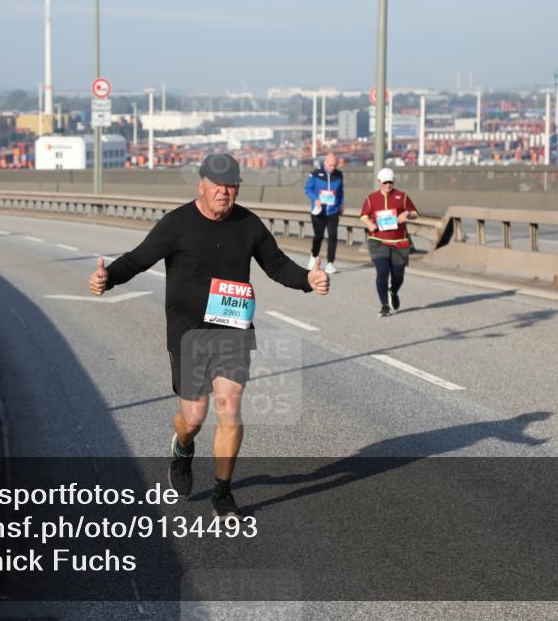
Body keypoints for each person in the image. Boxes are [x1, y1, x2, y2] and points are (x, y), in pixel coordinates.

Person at [88, 153, 330, 518]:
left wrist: (308, 280)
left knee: (229, 407)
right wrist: (108, 279)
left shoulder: (249, 225)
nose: (224, 191)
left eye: (231, 185)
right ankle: (183, 450)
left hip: (233, 330)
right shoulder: (177, 224)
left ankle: (223, 492)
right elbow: (138, 259)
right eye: (218, 184)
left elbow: (277, 265)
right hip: (189, 333)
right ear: (201, 185)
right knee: (194, 417)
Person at [360, 167, 419, 317]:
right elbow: (363, 215)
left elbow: (415, 213)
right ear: (379, 182)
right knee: (382, 271)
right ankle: (384, 305)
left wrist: (406, 214)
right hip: (378, 241)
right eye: (385, 182)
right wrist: (369, 224)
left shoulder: (402, 196)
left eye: (390, 182)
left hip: (399, 242)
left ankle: (393, 291)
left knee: (398, 276)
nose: (388, 185)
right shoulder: (371, 198)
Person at [303, 152, 345, 274]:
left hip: (333, 210)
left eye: (335, 165)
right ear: (325, 163)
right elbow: (307, 188)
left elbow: (341, 191)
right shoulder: (315, 174)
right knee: (319, 236)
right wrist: (315, 199)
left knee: (332, 236)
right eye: (331, 165)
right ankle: (313, 255)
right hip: (318, 211)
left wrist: (341, 204)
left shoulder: (339, 175)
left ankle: (330, 263)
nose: (333, 167)